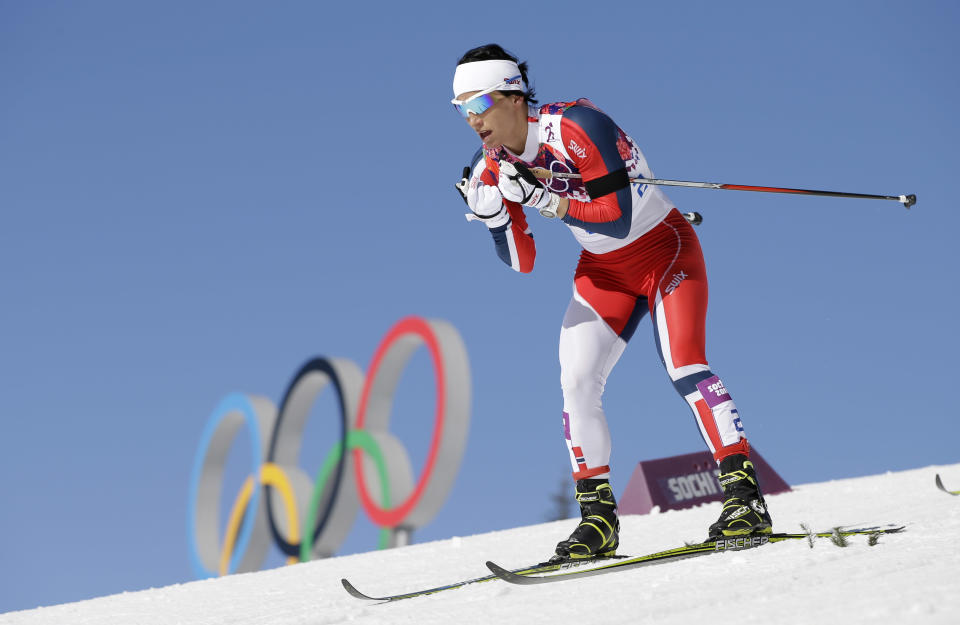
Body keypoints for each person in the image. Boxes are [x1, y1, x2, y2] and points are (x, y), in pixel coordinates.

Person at [452, 44, 773, 563]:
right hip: (603, 271)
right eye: (460, 108)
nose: (471, 119)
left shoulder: (577, 126)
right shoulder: (489, 164)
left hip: (662, 248)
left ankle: (744, 498)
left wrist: (541, 200)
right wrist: (494, 219)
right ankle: (597, 521)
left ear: (513, 95)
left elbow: (618, 217)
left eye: (479, 102)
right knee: (575, 381)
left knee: (685, 364)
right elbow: (522, 262)